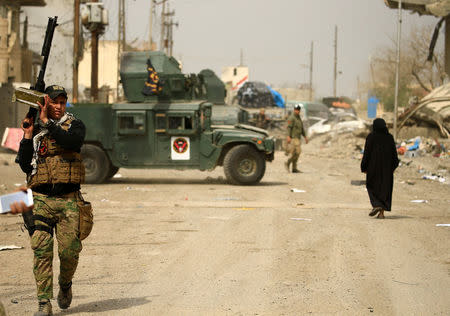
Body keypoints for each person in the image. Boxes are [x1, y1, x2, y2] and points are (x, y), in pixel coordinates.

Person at [17, 85, 86, 316]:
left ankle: (65, 284)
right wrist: (28, 136)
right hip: (41, 200)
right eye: (54, 102)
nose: (58, 107)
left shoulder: (74, 125)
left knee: (69, 252)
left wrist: (47, 123)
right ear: (44, 102)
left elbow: (70, 142)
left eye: (62, 102)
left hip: (68, 201)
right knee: (41, 250)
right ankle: (43, 302)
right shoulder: (37, 130)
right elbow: (26, 165)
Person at [361, 118, 399, 219]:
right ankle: (381, 213)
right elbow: (394, 154)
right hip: (387, 169)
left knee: (372, 186)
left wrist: (364, 167)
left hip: (373, 168)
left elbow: (367, 153)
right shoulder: (389, 137)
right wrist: (394, 166)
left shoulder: (371, 137)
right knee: (384, 190)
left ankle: (376, 204)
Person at [285, 104, 308, 173]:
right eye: (296, 110)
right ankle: (288, 163)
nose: (297, 111)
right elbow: (289, 127)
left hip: (298, 138)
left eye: (298, 110)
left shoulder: (298, 118)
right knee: (297, 152)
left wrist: (305, 136)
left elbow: (302, 128)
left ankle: (294, 168)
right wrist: (288, 136)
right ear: (294, 110)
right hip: (293, 138)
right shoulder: (291, 118)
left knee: (296, 153)